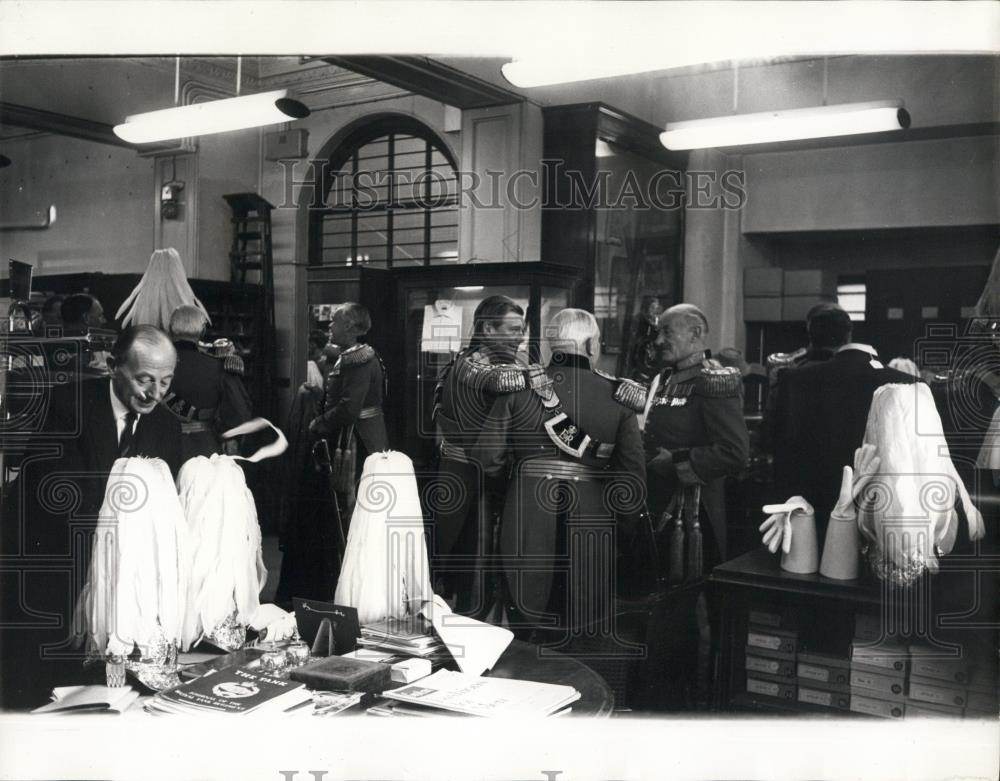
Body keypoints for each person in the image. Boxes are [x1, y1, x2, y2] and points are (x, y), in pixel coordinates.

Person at [0, 325, 183, 709]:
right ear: (114, 366)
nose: (155, 394)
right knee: (36, 685)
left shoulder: (166, 425)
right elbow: (52, 497)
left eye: (165, 381)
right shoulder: (67, 405)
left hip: (116, 570)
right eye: (145, 379)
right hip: (52, 558)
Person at [471, 308, 647, 640]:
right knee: (582, 620)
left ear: (553, 345)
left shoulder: (518, 388)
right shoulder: (619, 396)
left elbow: (486, 458)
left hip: (526, 511)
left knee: (525, 619)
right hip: (592, 514)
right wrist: (625, 527)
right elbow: (632, 477)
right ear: (592, 344)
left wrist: (514, 484)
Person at [276, 303, 387, 605]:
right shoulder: (345, 358)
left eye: (334, 322)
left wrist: (318, 423)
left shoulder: (358, 360)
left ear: (351, 326)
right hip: (350, 439)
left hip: (356, 444)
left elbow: (350, 409)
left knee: (345, 515)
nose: (329, 327)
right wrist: (318, 396)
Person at [769, 315, 918, 537]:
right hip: (878, 511)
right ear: (848, 333)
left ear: (810, 336)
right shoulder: (909, 383)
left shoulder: (794, 380)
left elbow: (775, 441)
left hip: (806, 510)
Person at [430, 295, 528, 615]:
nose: (520, 337)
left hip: (473, 474)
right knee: (473, 566)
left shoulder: (472, 362)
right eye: (513, 329)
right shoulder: (481, 368)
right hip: (472, 479)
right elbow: (502, 384)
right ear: (487, 329)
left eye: (522, 329)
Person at [644, 304, 750, 569]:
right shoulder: (667, 377)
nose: (658, 341)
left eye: (667, 333)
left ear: (695, 333)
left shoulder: (712, 378)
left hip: (694, 511)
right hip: (659, 501)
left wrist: (675, 462)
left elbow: (734, 452)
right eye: (659, 333)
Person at [166, 305, 253, 461]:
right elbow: (240, 410)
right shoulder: (218, 366)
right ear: (202, 331)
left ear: (170, 329)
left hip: (160, 445)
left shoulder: (153, 365)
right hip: (203, 449)